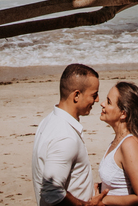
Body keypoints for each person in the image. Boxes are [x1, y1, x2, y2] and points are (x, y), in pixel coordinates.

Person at [33, 63, 105, 206]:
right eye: (94, 95)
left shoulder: (48, 121)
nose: (97, 100)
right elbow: (52, 191)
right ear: (76, 95)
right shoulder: (65, 136)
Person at [96, 82, 138, 206]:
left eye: (109, 102)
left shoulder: (129, 144)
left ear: (123, 114)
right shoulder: (118, 141)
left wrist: (103, 200)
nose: (102, 103)